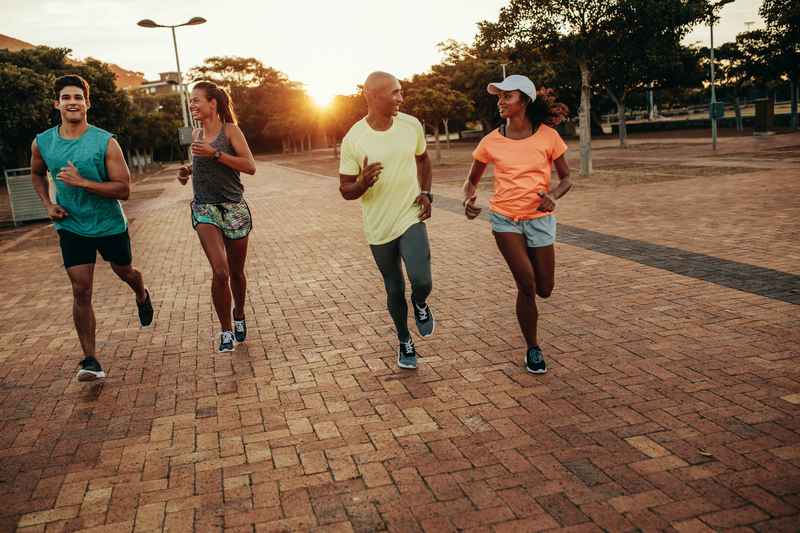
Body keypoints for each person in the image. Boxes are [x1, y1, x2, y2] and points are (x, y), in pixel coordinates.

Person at [30, 74, 154, 382]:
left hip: (110, 224)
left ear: (87, 103)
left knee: (124, 272)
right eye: (66, 97)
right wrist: (48, 204)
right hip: (71, 225)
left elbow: (124, 189)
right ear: (57, 103)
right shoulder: (43, 141)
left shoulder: (105, 142)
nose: (72, 102)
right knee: (81, 289)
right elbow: (36, 173)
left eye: (78, 97)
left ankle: (141, 291)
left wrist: (83, 182)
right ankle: (90, 360)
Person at [462, 75, 571, 374]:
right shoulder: (491, 140)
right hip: (504, 218)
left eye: (506, 96)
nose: (500, 101)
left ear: (524, 100)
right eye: (499, 96)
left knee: (545, 289)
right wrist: (467, 198)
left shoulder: (548, 136)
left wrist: (553, 195)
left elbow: (566, 178)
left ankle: (532, 330)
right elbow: (471, 180)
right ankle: (533, 348)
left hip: (540, 219)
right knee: (527, 284)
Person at [339, 71, 434, 370]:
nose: (401, 98)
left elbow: (423, 159)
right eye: (395, 93)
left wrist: (427, 192)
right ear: (374, 96)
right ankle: (404, 340)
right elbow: (345, 189)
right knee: (394, 288)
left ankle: (420, 302)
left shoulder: (411, 125)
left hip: (410, 213)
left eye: (400, 92)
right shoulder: (354, 138)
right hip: (378, 225)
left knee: (421, 280)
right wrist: (363, 183)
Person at [177, 81, 256, 353]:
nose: (192, 105)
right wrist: (187, 170)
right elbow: (201, 162)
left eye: (197, 100)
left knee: (236, 272)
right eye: (191, 100)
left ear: (213, 103)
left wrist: (216, 153)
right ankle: (225, 332)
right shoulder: (195, 133)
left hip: (233, 207)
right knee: (220, 270)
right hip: (205, 209)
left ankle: (239, 315)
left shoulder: (230, 131)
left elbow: (250, 166)